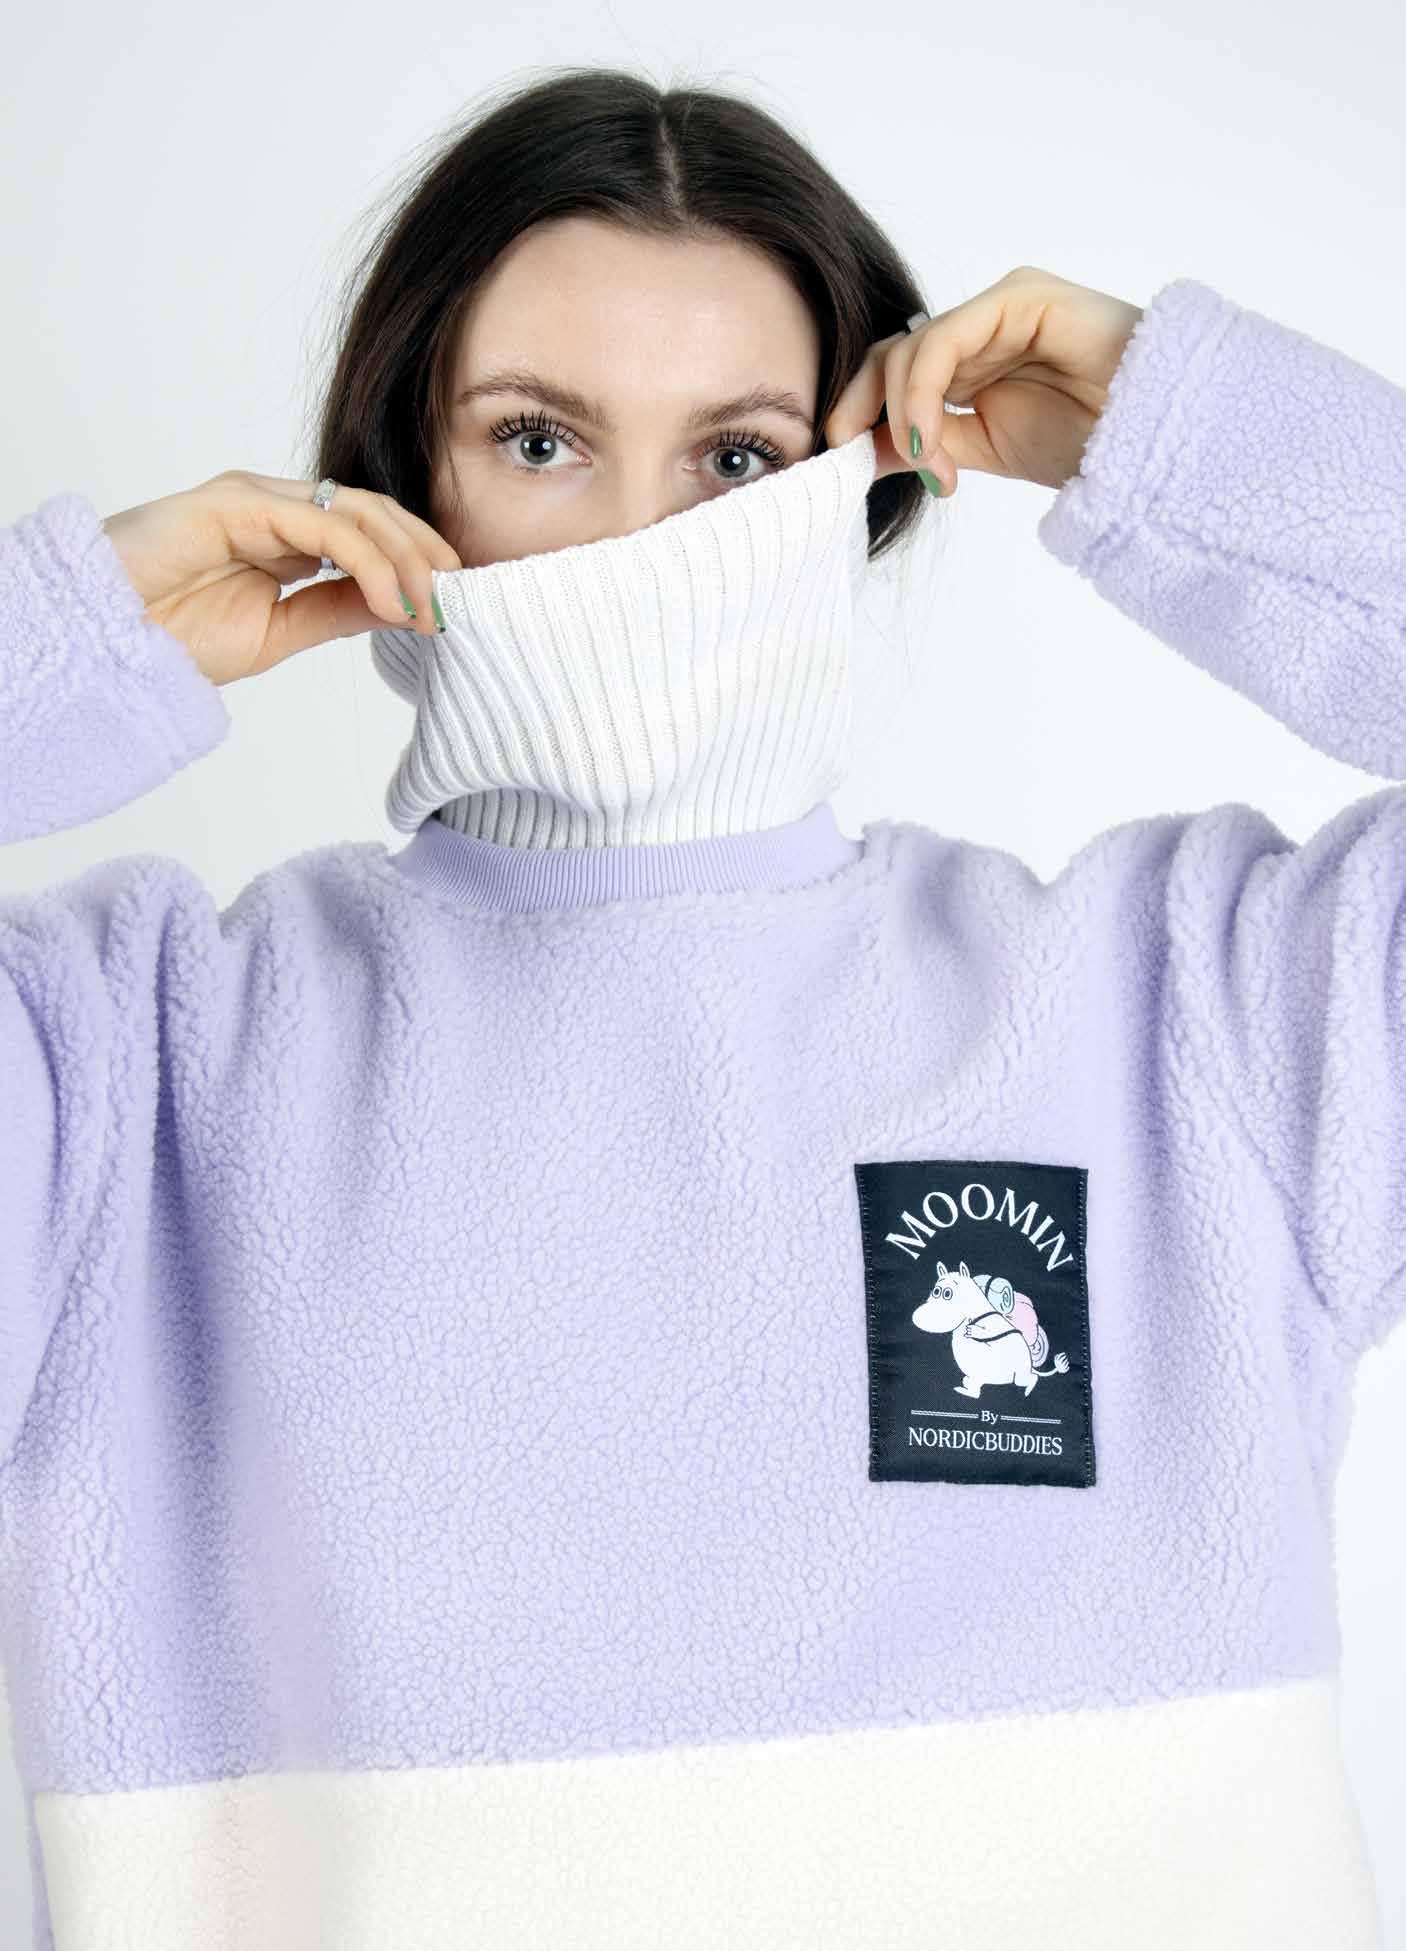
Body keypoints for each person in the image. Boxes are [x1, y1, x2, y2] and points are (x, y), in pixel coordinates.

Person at [2, 62, 1402, 1951]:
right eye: (537, 439)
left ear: (862, 486)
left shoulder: (1193, 1008)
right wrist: (62, 650)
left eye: (736, 458)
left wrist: (1184, 449)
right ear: (396, 485)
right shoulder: (123, 1064)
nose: (638, 542)